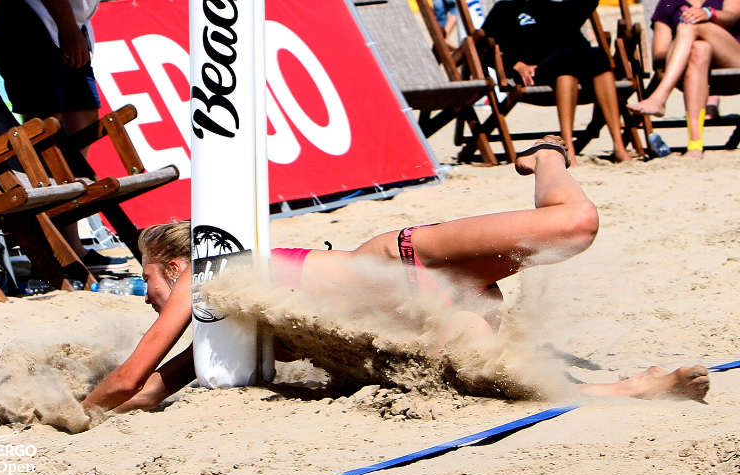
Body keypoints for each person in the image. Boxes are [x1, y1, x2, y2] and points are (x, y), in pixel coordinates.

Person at [81, 138, 709, 418]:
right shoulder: (225, 334)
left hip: (407, 262)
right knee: (518, 383)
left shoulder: (211, 275)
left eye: (147, 284)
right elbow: (149, 391)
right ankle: (631, 388)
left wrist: (74, 412)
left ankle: (545, 155)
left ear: (175, 266)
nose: (150, 300)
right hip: (428, 320)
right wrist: (93, 407)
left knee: (576, 224)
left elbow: (128, 380)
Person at [0, 0, 128, 272]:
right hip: (35, 13)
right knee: (45, 126)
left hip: (71, 19)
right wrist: (66, 26)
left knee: (83, 121)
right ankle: (52, 245)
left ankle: (71, 243)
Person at [482, 0, 633, 165]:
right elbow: (481, 47)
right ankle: (568, 148)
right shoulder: (505, 8)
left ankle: (619, 147)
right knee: (566, 61)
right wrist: (515, 65)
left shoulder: (559, 7)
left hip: (571, 66)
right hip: (535, 73)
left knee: (599, 57)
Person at [627, 0, 740, 159]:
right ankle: (695, 144)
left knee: (689, 24)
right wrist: (683, 45)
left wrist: (708, 13)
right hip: (691, 75)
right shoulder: (668, 4)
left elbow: (732, 17)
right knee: (699, 49)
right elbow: (659, 56)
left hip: (734, 66)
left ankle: (659, 98)